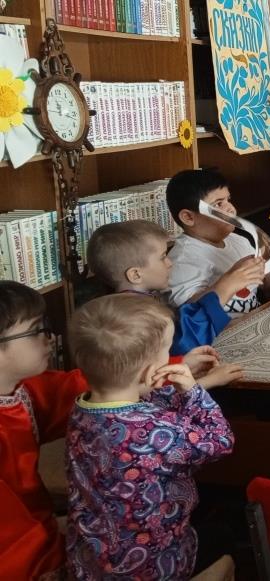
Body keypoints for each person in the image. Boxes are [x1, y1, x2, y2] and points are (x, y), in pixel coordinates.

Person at [65, 294, 235, 579]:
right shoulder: (157, 431)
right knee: (226, 531)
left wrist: (194, 379)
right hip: (149, 566)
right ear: (150, 372)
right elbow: (220, 440)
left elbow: (143, 401)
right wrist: (194, 392)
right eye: (168, 351)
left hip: (91, 561)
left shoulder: (82, 409)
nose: (170, 356)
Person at [0, 281, 87, 579]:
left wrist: (167, 369)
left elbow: (96, 384)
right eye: (36, 330)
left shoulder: (23, 388)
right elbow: (11, 538)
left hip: (38, 531)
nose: (49, 337)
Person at [86, 220, 248, 372]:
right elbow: (183, 343)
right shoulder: (135, 316)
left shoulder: (140, 300)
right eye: (163, 257)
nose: (170, 263)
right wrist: (225, 288)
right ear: (135, 275)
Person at [165, 169, 270, 317]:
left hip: (253, 319)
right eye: (218, 204)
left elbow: (262, 286)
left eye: (228, 200)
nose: (230, 208)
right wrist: (231, 279)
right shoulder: (182, 261)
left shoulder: (238, 240)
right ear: (188, 217)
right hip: (224, 329)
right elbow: (191, 316)